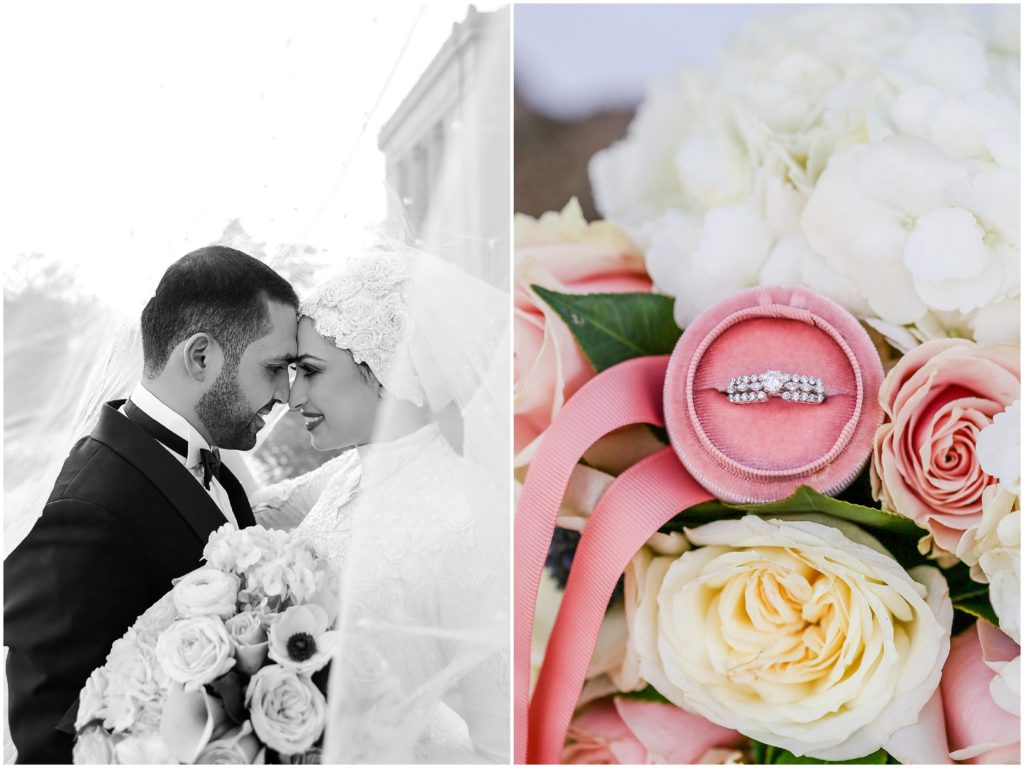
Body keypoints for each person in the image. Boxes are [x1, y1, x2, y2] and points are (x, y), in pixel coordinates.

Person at [3, 246, 298, 763]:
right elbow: (49, 743)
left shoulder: (220, 467)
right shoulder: (82, 512)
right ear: (201, 356)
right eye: (275, 367)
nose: (287, 393)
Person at [253, 246, 509, 763]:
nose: (292, 394)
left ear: (386, 370)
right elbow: (251, 511)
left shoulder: (471, 517)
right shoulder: (349, 470)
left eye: (311, 371)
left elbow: (500, 738)